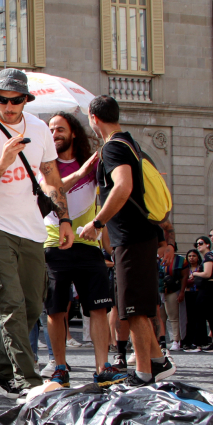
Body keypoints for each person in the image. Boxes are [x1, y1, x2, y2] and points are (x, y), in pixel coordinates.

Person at [0, 69, 72, 399]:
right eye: (2, 99)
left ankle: (1, 369)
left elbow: (50, 176)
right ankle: (30, 381)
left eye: (16, 100)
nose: (9, 106)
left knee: (34, 305)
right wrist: (3, 162)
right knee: (10, 305)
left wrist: (64, 219)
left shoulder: (38, 129)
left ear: (26, 99)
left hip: (32, 229)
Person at [79, 95, 174, 386]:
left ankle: (144, 373)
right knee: (139, 306)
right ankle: (158, 362)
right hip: (138, 234)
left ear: (93, 118)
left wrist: (97, 223)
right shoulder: (130, 142)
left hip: (131, 236)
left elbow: (123, 186)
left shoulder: (114, 148)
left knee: (132, 309)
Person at [43, 112, 123, 387]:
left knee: (98, 308)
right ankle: (60, 367)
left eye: (60, 129)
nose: (55, 134)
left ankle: (103, 366)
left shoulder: (95, 164)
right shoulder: (45, 164)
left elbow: (113, 194)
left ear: (73, 132)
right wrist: (80, 172)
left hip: (89, 244)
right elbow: (53, 191)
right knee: (56, 310)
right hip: (55, 243)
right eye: (51, 130)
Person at [191, 236, 213, 350]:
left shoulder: (209, 256)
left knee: (201, 315)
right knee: (210, 316)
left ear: (207, 244)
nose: (198, 245)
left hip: (208, 288)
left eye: (200, 243)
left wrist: (195, 274)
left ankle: (199, 343)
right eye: (197, 244)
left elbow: (207, 274)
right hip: (209, 288)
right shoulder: (209, 256)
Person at [157, 242, 186, 352]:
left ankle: (175, 340)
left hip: (172, 289)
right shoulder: (157, 259)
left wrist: (182, 291)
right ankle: (162, 340)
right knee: (161, 317)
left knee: (173, 316)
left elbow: (184, 276)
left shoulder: (180, 260)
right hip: (159, 290)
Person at [181, 249, 202, 351]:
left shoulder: (201, 267)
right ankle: (187, 340)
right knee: (189, 318)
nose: (191, 258)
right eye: (189, 256)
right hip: (188, 293)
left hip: (198, 292)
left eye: (194, 256)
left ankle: (197, 340)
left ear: (198, 257)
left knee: (198, 317)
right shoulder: (185, 268)